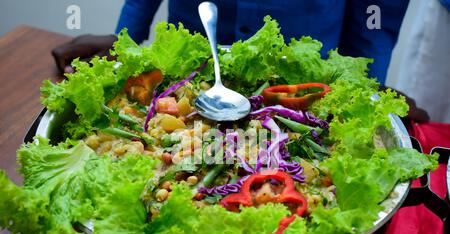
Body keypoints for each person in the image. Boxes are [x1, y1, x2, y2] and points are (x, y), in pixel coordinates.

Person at [52, 0, 410, 84]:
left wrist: (365, 89)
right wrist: (126, 38)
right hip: (186, 71)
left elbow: (374, 22)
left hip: (299, 85)